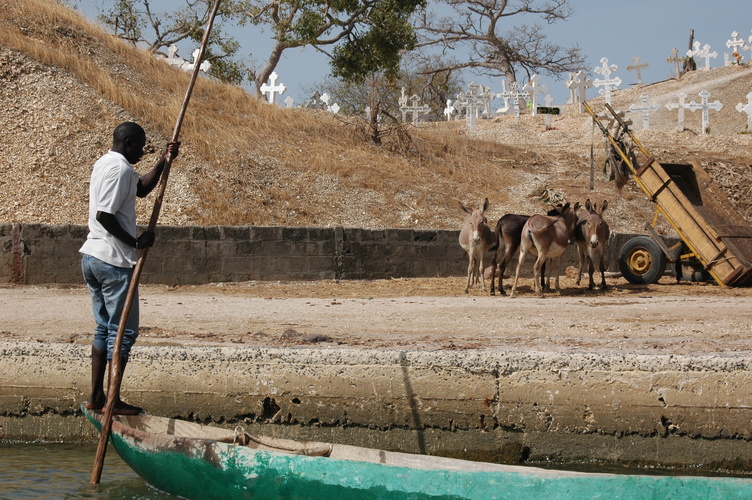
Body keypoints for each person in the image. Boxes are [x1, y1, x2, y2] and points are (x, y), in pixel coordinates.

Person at [80, 121, 179, 415]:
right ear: (127, 142)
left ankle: (98, 397)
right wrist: (135, 241)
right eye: (140, 146)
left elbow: (142, 190)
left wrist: (164, 159)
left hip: (93, 258)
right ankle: (111, 399)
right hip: (111, 260)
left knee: (105, 329)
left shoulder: (107, 164)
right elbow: (104, 216)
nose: (142, 151)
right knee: (123, 332)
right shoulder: (119, 168)